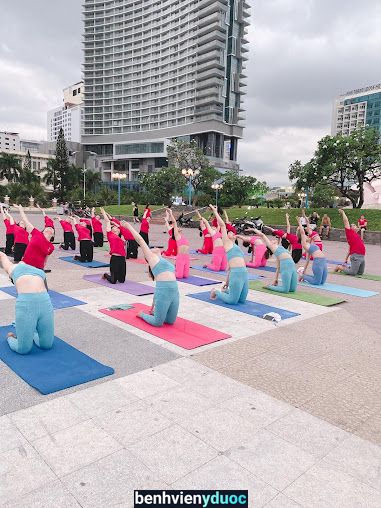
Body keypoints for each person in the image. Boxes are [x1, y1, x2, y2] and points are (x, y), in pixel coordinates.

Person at [122, 222, 179, 327]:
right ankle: (142, 315)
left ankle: (157, 312)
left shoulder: (163, 258)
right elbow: (140, 240)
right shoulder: (151, 258)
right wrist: (128, 226)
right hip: (164, 291)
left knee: (170, 321)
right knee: (158, 323)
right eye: (152, 249)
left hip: (175, 291)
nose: (155, 248)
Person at [0, 251, 54, 355]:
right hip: (27, 305)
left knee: (46, 345)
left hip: (45, 303)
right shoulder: (14, 269)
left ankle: (31, 330)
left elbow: (2, 255)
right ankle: (10, 338)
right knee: (23, 349)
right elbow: (2, 255)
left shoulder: (38, 271)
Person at [207, 205, 249, 304]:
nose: (231, 232)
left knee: (242, 300)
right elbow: (222, 225)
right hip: (236, 274)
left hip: (244, 273)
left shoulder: (236, 246)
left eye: (232, 232)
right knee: (232, 301)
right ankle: (216, 291)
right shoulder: (227, 243)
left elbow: (229, 268)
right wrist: (215, 211)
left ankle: (226, 291)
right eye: (229, 232)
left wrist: (227, 282)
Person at [254, 229, 297, 294]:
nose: (274, 239)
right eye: (272, 240)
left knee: (292, 289)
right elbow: (262, 235)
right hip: (286, 266)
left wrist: (276, 279)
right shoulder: (272, 246)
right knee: (285, 290)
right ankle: (269, 287)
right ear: (271, 244)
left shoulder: (280, 248)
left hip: (292, 265)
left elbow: (278, 268)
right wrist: (253, 229)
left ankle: (276, 286)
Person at [13, 205, 54, 270]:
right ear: (43, 231)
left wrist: (43, 268)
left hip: (38, 269)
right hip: (26, 266)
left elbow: (46, 259)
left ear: (53, 235)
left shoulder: (51, 247)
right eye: (47, 228)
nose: (49, 228)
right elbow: (25, 220)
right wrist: (20, 209)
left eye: (51, 229)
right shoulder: (36, 233)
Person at [334, 209, 366, 276]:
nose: (355, 226)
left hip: (362, 257)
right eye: (354, 225)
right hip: (356, 256)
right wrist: (343, 213)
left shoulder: (357, 235)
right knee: (353, 273)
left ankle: (349, 268)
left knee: (360, 273)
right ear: (350, 228)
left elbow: (349, 250)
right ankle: (339, 267)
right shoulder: (349, 233)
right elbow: (346, 221)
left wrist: (345, 259)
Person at [297, 218, 328, 285]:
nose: (308, 236)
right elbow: (302, 232)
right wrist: (299, 222)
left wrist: (307, 221)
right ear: (303, 238)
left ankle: (304, 275)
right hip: (318, 262)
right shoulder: (304, 244)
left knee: (322, 282)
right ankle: (302, 276)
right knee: (316, 282)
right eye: (306, 235)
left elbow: (307, 261)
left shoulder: (309, 247)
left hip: (323, 261)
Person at [99, 208, 126, 283]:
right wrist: (104, 213)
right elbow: (107, 221)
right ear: (111, 229)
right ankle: (105, 275)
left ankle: (116, 275)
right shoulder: (110, 234)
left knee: (122, 281)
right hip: (115, 258)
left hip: (122, 259)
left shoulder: (120, 238)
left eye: (117, 228)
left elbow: (121, 227)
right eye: (114, 228)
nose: (116, 229)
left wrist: (116, 224)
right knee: (113, 281)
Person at [167, 208, 190, 279]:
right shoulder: (177, 236)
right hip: (180, 257)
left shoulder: (183, 237)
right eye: (177, 228)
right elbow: (174, 222)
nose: (179, 229)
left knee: (186, 276)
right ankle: (168, 272)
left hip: (186, 257)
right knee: (179, 276)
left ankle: (175, 268)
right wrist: (171, 213)